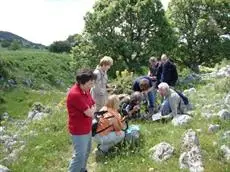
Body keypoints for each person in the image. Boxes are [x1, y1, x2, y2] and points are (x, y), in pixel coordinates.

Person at [66, 68, 97, 172]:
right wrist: (91, 111)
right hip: (79, 130)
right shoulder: (75, 94)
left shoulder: (85, 90)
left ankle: (82, 169)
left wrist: (91, 111)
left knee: (87, 151)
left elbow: (94, 104)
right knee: (79, 155)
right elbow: (90, 113)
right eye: (90, 83)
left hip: (87, 127)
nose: (92, 85)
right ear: (81, 83)